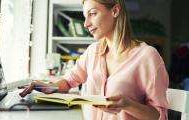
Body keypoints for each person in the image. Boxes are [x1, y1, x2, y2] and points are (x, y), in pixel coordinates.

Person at [19, 0, 169, 119]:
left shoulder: (148, 57)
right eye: (85, 16)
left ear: (115, 10)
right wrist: (44, 86)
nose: (86, 24)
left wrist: (128, 105)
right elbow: (68, 81)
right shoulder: (93, 52)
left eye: (93, 13)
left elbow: (159, 115)